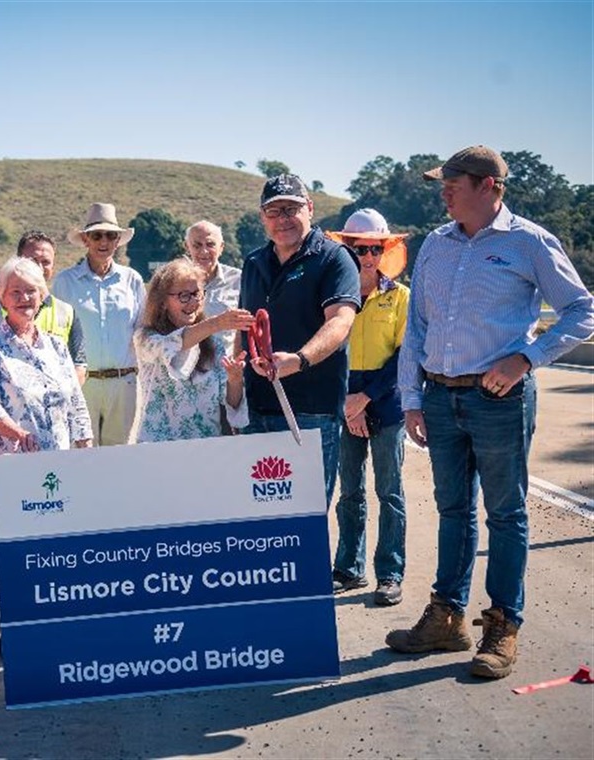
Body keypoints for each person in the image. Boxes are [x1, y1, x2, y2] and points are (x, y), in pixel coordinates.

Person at [388, 145, 594, 679]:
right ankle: (447, 618)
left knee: (506, 514)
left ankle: (503, 625)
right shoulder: (435, 243)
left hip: (498, 401)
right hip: (439, 396)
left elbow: (582, 309)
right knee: (453, 510)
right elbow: (417, 330)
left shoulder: (528, 241)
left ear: (489, 186)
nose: (443, 189)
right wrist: (413, 398)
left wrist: (527, 357)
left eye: (453, 180)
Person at [0, 257, 93, 627]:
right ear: (1, 298)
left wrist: (84, 442)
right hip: (10, 465)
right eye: (15, 292)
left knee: (53, 543)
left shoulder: (56, 346)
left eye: (31, 291)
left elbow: (74, 398)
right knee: (13, 548)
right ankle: (12, 623)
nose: (24, 298)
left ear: (42, 296)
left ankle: (54, 615)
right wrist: (20, 435)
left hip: (55, 462)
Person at [238, 174, 361, 507]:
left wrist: (300, 359)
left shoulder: (335, 258)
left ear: (309, 208)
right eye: (273, 212)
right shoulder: (253, 263)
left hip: (311, 412)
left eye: (290, 209)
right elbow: (245, 331)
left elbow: (340, 321)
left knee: (304, 520)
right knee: (256, 518)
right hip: (256, 411)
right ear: (263, 217)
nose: (282, 220)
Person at [324, 209, 410, 605]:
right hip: (343, 400)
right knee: (349, 492)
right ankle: (348, 568)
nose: (369, 256)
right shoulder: (332, 297)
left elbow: (404, 356)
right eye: (361, 249)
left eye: (376, 248)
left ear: (385, 250)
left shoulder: (400, 296)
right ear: (347, 249)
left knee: (389, 491)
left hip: (385, 401)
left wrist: (364, 399)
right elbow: (326, 350)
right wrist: (347, 403)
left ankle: (390, 574)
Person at [52, 203, 146, 446]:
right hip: (83, 386)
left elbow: (142, 329)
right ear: (86, 240)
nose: (103, 241)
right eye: (97, 235)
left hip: (124, 384)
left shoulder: (132, 280)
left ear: (118, 241)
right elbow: (56, 336)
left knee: (121, 460)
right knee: (81, 459)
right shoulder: (65, 282)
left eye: (110, 235)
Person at [131, 258, 253, 443]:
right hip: (158, 449)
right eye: (183, 296)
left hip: (206, 448)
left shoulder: (214, 343)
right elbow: (173, 345)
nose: (193, 302)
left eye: (197, 294)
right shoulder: (146, 338)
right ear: (163, 301)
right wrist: (216, 323)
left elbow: (232, 406)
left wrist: (234, 380)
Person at [0, 230, 87, 384]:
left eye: (46, 261)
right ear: (18, 261)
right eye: (33, 260)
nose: (39, 267)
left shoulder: (67, 313)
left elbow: (78, 367)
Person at [185, 220, 242, 357]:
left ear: (221, 247)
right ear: (187, 247)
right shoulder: (173, 282)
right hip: (183, 374)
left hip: (225, 373)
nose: (204, 251)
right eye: (197, 245)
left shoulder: (239, 280)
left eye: (210, 244)